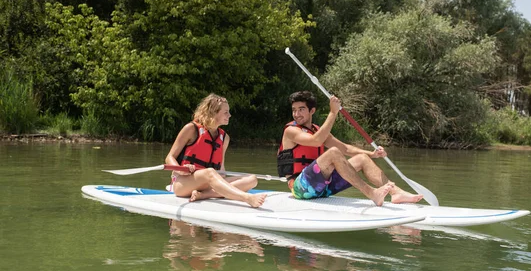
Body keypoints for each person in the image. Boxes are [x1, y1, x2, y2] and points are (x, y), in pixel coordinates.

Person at [277, 91, 423, 206]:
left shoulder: (317, 130)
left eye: (301, 109)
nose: (296, 114)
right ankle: (372, 193)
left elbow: (345, 148)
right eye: (294, 110)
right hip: (300, 188)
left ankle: (396, 193)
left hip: (323, 188)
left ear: (312, 111)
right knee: (333, 153)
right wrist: (333, 113)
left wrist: (372, 154)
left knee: (362, 159)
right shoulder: (291, 131)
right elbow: (316, 141)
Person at [166, 93, 266, 208]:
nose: (230, 115)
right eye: (225, 112)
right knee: (210, 172)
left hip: (208, 183)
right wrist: (181, 171)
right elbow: (170, 157)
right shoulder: (191, 129)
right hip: (183, 183)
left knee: (252, 179)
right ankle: (246, 198)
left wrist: (222, 182)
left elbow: (221, 169)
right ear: (213, 112)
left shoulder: (224, 138)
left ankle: (204, 195)